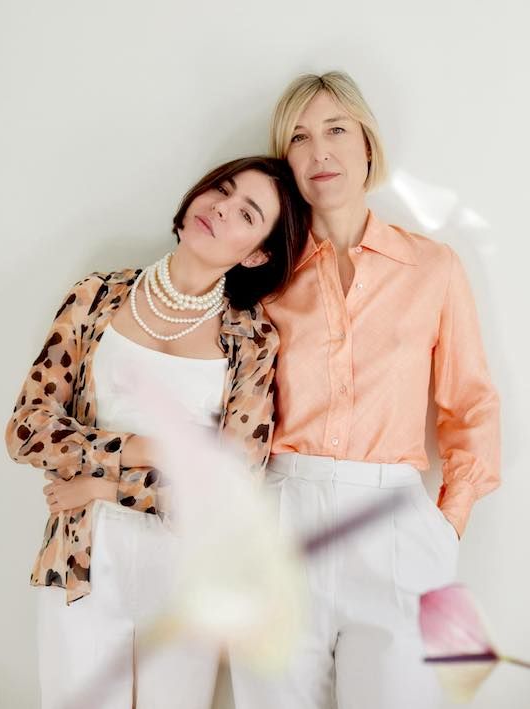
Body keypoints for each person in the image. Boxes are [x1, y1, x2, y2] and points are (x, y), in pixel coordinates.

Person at [229, 72, 501, 709]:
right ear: (285, 160)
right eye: (299, 137)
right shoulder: (261, 273)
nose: (319, 151)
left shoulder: (433, 267)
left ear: (367, 145)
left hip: (396, 524)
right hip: (281, 516)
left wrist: (447, 524)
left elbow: (470, 403)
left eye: (336, 130)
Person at [5, 155, 308, 709]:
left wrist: (103, 486)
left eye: (247, 214)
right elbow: (27, 429)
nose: (222, 208)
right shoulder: (96, 296)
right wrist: (154, 447)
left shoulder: (251, 339)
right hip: (80, 561)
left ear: (257, 253)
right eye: (223, 189)